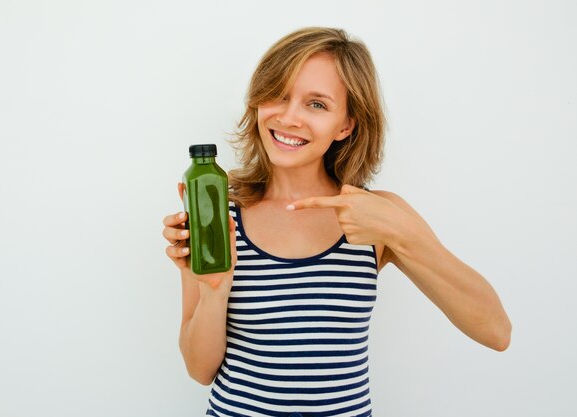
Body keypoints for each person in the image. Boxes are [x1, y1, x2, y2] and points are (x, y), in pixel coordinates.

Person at [162, 27, 511, 417]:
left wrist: (400, 232)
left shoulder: (376, 216)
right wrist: (214, 289)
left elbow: (496, 332)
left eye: (317, 104)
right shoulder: (221, 220)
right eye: (278, 94)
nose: (289, 117)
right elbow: (199, 370)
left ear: (346, 125)